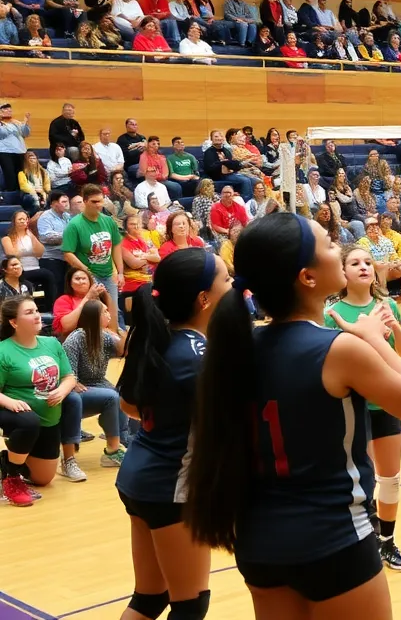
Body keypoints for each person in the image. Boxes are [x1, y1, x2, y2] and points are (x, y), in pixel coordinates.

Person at [184, 213, 401, 618]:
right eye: (329, 245)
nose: (340, 248)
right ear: (308, 277)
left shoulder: (234, 348)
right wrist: (373, 339)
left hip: (258, 539)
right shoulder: (338, 350)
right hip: (333, 538)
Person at [115, 247, 230, 620]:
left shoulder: (160, 338)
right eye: (226, 280)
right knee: (189, 603)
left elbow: (128, 405)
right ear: (203, 299)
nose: (234, 286)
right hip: (171, 488)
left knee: (149, 598)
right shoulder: (201, 356)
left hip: (140, 476)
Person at [325, 246, 401, 573]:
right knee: (360, 478)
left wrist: (395, 325)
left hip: (386, 401)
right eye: (355, 263)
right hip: (350, 406)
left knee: (390, 477)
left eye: (367, 262)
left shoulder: (387, 305)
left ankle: (388, 541)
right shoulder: (331, 312)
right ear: (343, 273)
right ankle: (367, 539)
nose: (363, 267)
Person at [0, 297, 78, 506]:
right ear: (14, 323)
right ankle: (11, 476)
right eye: (28, 312)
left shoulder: (51, 343)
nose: (36, 315)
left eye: (36, 310)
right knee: (28, 421)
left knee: (43, 479)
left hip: (49, 417)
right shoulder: (3, 351)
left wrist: (62, 390)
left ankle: (9, 457)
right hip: (17, 414)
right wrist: (9, 402)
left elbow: (70, 377)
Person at [59, 300, 129, 480]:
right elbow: (67, 372)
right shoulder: (76, 338)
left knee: (124, 393)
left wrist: (117, 331)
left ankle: (123, 438)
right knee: (111, 396)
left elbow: (124, 351)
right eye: (104, 312)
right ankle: (111, 451)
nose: (109, 315)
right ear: (94, 317)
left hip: (97, 383)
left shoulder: (104, 336)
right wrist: (73, 382)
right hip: (77, 388)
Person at [61, 184, 125, 320]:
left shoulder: (109, 221)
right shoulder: (74, 225)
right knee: (94, 311)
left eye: (101, 201)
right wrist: (85, 270)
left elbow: (116, 247)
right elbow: (67, 253)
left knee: (114, 311)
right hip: (88, 274)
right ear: (85, 202)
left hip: (108, 273)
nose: (98, 205)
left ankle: (117, 337)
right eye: (94, 202)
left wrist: (120, 272)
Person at [3, 211, 56, 305]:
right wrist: (27, 252)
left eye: (25, 219)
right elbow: (11, 254)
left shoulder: (32, 237)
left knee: (49, 276)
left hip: (35, 268)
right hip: (20, 270)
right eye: (20, 219)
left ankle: (50, 306)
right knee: (46, 274)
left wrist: (31, 235)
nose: (23, 221)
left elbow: (40, 252)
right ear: (14, 221)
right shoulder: (7, 238)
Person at [0, 103, 31, 194]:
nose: (9, 111)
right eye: (6, 109)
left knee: (20, 174)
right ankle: (12, 194)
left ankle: (21, 192)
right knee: (10, 174)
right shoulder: (2, 123)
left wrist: (25, 122)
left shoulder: (15, 122)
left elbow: (25, 134)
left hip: (20, 151)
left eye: (10, 110)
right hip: (5, 151)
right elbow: (3, 134)